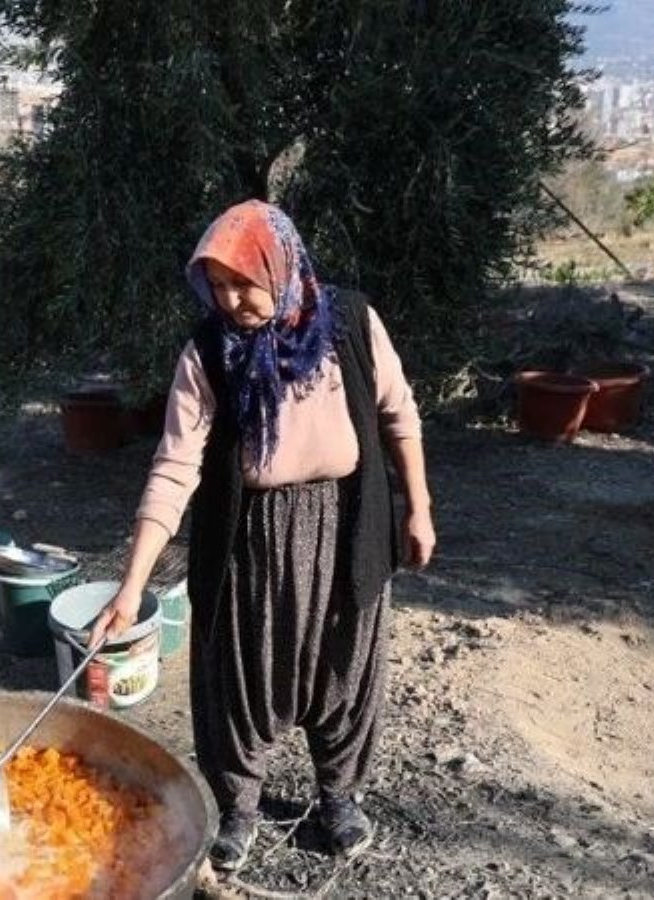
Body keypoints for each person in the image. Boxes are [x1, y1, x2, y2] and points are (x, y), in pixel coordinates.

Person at [90, 200, 435, 869]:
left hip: (349, 523)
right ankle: (239, 809)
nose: (230, 300)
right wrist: (131, 588)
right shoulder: (208, 354)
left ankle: (339, 797)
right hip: (254, 538)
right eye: (216, 285)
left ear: (283, 268)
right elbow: (174, 467)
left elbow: (400, 415)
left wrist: (418, 508)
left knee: (345, 667)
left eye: (243, 282)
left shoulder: (353, 324)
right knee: (244, 677)